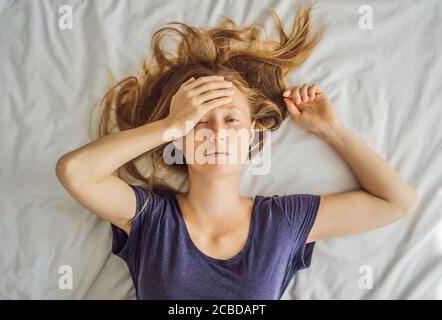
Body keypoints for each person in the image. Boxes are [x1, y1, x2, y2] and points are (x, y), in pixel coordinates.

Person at [55, 5, 419, 299]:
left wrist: (330, 130)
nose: (215, 133)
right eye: (198, 122)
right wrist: (168, 125)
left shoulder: (282, 223)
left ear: (252, 133)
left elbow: (397, 202)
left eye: (230, 120)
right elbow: (74, 172)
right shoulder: (152, 217)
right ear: (180, 139)